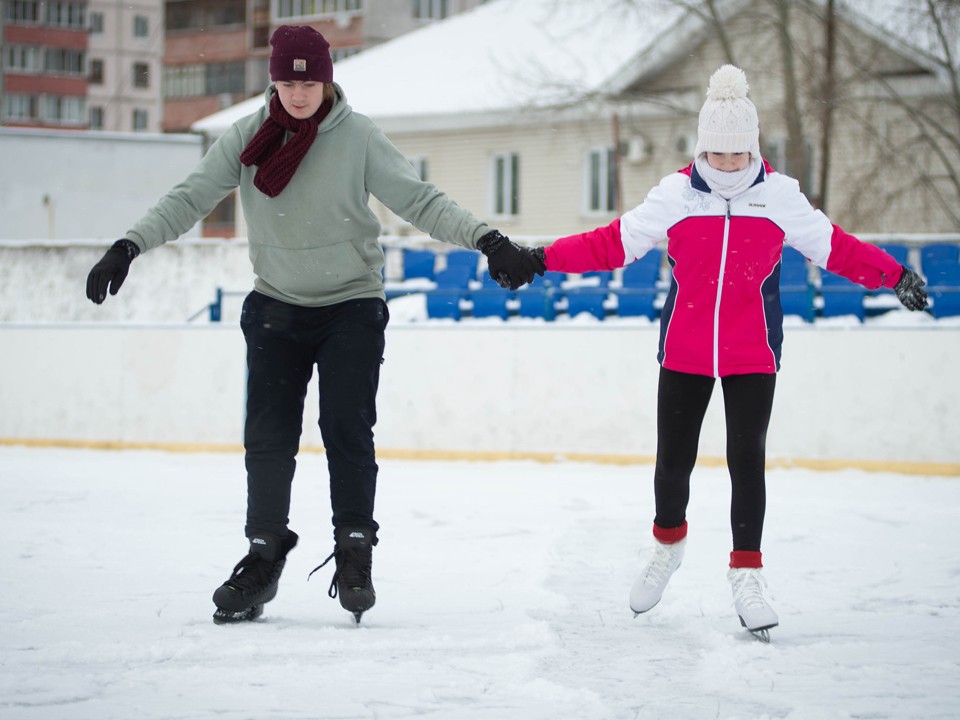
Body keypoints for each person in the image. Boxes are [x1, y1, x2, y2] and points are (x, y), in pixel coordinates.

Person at [85, 25, 541, 625]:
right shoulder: (248, 138)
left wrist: (489, 239)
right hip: (276, 304)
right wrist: (128, 244)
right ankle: (263, 552)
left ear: (327, 79)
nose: (300, 93)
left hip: (351, 305)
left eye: (310, 80)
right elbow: (190, 196)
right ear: (274, 80)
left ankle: (355, 549)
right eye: (289, 80)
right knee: (268, 437)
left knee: (346, 427)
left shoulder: (356, 136)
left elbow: (419, 200)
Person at [522, 65, 927, 639]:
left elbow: (835, 248)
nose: (729, 165)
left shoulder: (779, 196)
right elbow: (613, 243)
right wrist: (541, 258)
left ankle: (747, 572)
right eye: (718, 154)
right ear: (702, 148)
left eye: (739, 154)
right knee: (673, 461)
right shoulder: (676, 194)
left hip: (753, 351)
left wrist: (893, 276)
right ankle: (667, 546)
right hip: (685, 347)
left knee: (747, 460)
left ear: (754, 149)